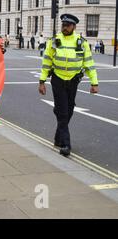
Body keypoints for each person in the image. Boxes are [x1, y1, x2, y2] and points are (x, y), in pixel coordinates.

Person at [39, 14, 99, 157]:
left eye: (68, 25)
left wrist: (94, 82)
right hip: (57, 79)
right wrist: (42, 81)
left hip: (73, 81)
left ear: (74, 27)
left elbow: (89, 63)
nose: (65, 27)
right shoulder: (54, 41)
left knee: (69, 110)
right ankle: (66, 144)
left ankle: (58, 137)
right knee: (63, 112)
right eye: (63, 25)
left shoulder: (81, 42)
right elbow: (46, 61)